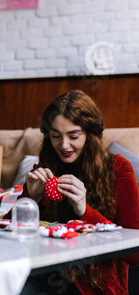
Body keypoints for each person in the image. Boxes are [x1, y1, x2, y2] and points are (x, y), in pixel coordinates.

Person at [17, 89, 139, 295]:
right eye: (56, 136)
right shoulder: (44, 168)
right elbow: (10, 232)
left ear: (90, 135)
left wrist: (85, 210)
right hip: (41, 272)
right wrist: (31, 197)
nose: (63, 145)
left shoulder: (119, 170)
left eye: (73, 136)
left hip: (93, 284)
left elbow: (136, 254)